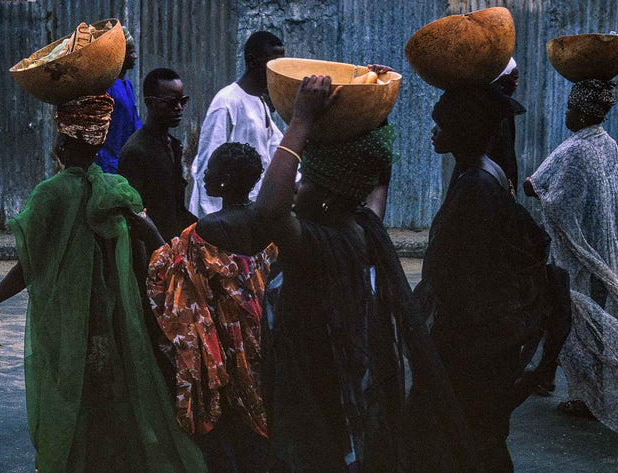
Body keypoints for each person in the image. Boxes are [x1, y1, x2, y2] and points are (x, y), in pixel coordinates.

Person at [0, 94, 206, 473]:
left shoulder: (50, 194)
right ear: (99, 143)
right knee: (112, 396)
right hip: (114, 318)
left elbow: (29, 266)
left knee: (71, 398)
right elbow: (145, 250)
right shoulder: (117, 189)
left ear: (61, 145)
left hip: (70, 318)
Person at [245, 72, 471, 473]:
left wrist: (301, 122)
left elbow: (266, 211)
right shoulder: (362, 226)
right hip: (345, 390)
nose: (296, 187)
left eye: (307, 180)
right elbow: (377, 184)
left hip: (314, 395)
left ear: (331, 197)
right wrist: (370, 106)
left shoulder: (317, 243)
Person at [409, 85, 536, 473]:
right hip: (486, 341)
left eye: (441, 125)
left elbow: (461, 274)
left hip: (476, 345)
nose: (433, 132)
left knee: (469, 438)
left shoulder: (476, 186)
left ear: (461, 131)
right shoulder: (482, 173)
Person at [144, 143, 276, 473]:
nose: (205, 175)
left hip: (224, 343)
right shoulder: (267, 220)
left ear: (225, 179)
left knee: (228, 429)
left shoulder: (207, 229)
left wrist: (146, 232)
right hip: (263, 334)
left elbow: (172, 275)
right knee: (260, 420)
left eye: (211, 170)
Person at [524, 79, 618, 434]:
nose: (566, 113)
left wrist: (530, 189)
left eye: (571, 108)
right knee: (594, 318)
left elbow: (552, 196)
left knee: (578, 320)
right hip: (606, 249)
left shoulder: (575, 149)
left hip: (581, 254)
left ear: (584, 112)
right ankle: (560, 380)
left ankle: (590, 397)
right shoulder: (608, 144)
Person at [189, 31, 285, 217]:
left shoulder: (261, 102)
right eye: (273, 64)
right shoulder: (227, 102)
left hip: (248, 212)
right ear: (252, 61)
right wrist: (213, 218)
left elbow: (275, 150)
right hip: (223, 217)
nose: (279, 71)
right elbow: (208, 163)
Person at [119, 68, 196, 240]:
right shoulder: (136, 151)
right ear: (150, 103)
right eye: (171, 102)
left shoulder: (173, 145)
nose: (179, 108)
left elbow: (177, 207)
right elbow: (134, 217)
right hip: (151, 254)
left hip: (172, 249)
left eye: (183, 101)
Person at [95, 26, 143, 173]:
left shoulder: (126, 84)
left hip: (124, 160)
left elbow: (135, 120)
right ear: (119, 54)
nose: (135, 56)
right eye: (130, 52)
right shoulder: (105, 86)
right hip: (107, 163)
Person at [488, 57, 526, 193]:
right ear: (501, 77)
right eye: (513, 78)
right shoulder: (499, 108)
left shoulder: (497, 104)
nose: (516, 84)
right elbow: (506, 153)